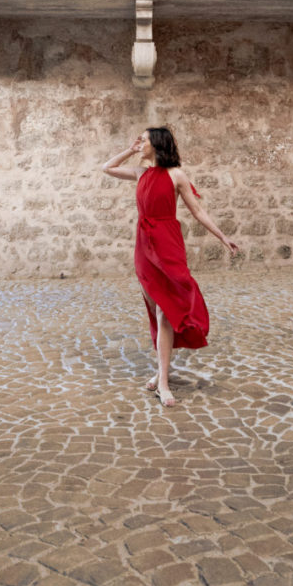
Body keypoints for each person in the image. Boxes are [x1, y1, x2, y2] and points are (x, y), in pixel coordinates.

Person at [103, 127, 240, 408]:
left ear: (158, 143)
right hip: (144, 247)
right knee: (156, 310)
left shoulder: (176, 174)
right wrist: (130, 150)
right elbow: (107, 167)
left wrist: (222, 236)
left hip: (168, 244)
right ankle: (162, 370)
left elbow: (197, 211)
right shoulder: (140, 173)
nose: (140, 143)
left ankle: (162, 382)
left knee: (168, 308)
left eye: (144, 139)